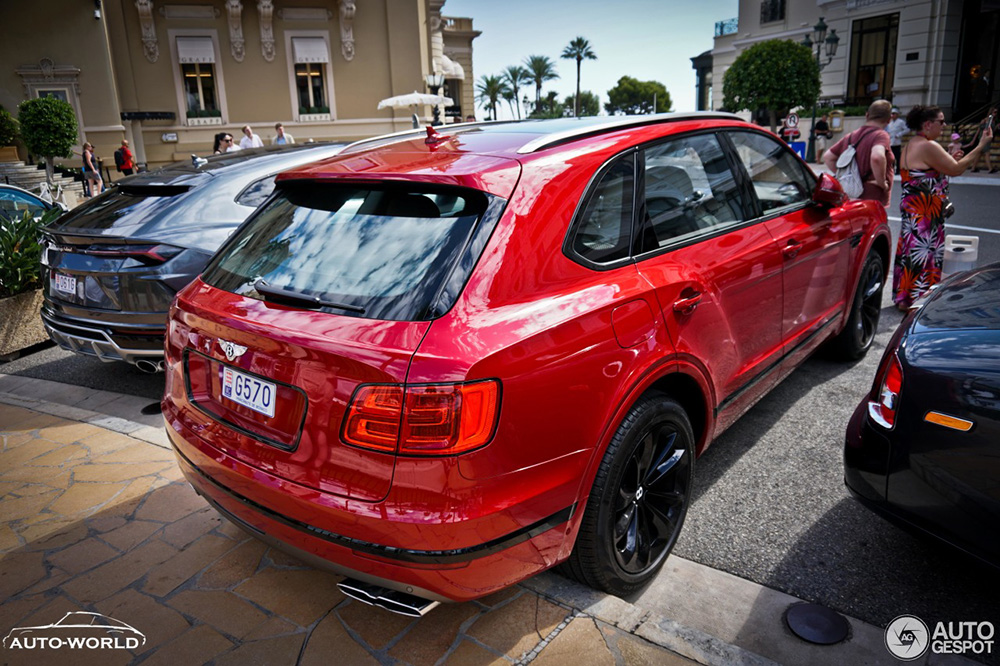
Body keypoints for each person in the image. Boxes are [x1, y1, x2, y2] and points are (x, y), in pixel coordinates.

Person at [892, 105, 993, 310]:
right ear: (928, 124)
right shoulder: (929, 146)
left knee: (912, 251)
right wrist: (980, 146)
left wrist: (948, 162)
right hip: (925, 212)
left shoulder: (912, 143)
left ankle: (906, 298)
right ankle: (915, 301)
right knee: (924, 253)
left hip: (914, 210)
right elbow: (955, 170)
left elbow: (929, 172)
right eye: (941, 121)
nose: (944, 125)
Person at [822, 99, 894, 205]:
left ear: (867, 115)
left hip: (853, 194)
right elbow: (877, 157)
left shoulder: (851, 136)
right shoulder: (880, 135)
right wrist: (882, 183)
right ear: (889, 119)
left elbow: (828, 157)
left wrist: (846, 179)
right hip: (872, 197)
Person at [970, 107, 996, 173]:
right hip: (984, 138)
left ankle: (973, 168)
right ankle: (990, 168)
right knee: (986, 152)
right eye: (994, 112)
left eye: (996, 112)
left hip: (986, 138)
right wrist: (974, 139)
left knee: (979, 153)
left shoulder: (992, 120)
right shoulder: (986, 120)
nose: (995, 114)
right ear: (991, 112)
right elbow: (979, 130)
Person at [886, 107, 908, 172]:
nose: (892, 115)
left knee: (897, 157)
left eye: (894, 114)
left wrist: (899, 134)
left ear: (897, 114)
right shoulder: (889, 122)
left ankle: (898, 169)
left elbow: (907, 129)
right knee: (891, 157)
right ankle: (892, 169)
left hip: (896, 141)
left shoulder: (900, 122)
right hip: (890, 142)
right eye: (891, 114)